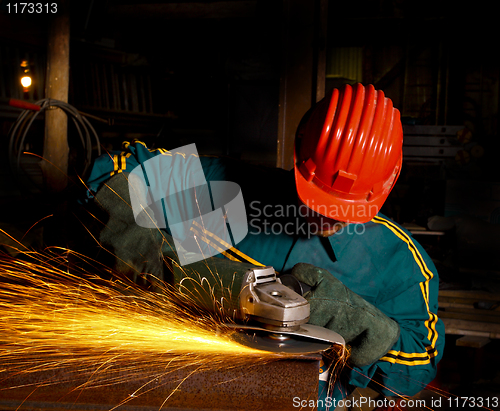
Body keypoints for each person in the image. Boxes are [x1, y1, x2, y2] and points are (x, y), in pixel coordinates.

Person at [83, 83, 444, 408]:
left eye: (347, 210)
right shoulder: (230, 191)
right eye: (315, 198)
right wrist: (149, 262)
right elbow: (110, 173)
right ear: (298, 151)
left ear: (389, 183)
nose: (327, 215)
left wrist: (354, 319)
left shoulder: (399, 263)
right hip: (182, 390)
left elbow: (419, 366)